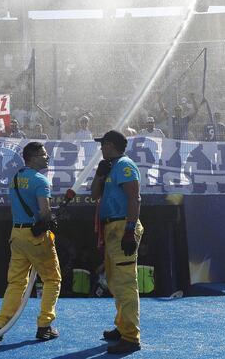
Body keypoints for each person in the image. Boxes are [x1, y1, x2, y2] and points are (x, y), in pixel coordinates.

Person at [0, 142, 61, 342]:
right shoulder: (41, 180)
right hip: (36, 237)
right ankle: (44, 325)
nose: (46, 157)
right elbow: (45, 212)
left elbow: (15, 209)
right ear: (32, 157)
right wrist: (51, 220)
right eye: (43, 154)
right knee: (52, 279)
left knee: (16, 282)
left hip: (17, 234)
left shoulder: (15, 179)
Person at [91, 130, 144, 354]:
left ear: (110, 144)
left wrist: (130, 231)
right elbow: (95, 194)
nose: (100, 148)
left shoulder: (124, 165)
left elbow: (135, 198)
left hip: (123, 226)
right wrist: (99, 176)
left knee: (124, 283)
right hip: (113, 227)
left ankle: (131, 337)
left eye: (102, 144)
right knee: (114, 281)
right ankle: (122, 327)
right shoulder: (110, 167)